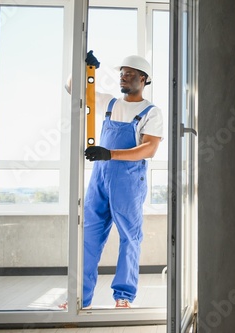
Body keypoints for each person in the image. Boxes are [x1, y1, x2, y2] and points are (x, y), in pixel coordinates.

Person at [62, 51, 163, 309]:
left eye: (130, 74)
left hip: (128, 182)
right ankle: (78, 298)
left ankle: (123, 297)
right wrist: (84, 69)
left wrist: (109, 153)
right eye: (122, 74)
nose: (124, 78)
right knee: (88, 237)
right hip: (100, 180)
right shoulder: (109, 103)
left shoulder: (151, 112)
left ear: (143, 79)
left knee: (130, 238)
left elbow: (149, 149)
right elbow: (73, 88)